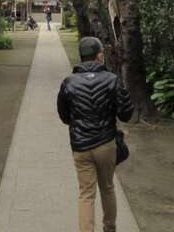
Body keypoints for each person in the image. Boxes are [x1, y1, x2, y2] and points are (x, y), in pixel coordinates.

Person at [57, 36, 134, 232]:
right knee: (107, 187)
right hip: (106, 144)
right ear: (99, 56)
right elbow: (126, 114)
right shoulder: (112, 80)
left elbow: (64, 116)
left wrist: (79, 125)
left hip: (81, 146)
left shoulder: (69, 83)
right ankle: (109, 227)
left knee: (86, 193)